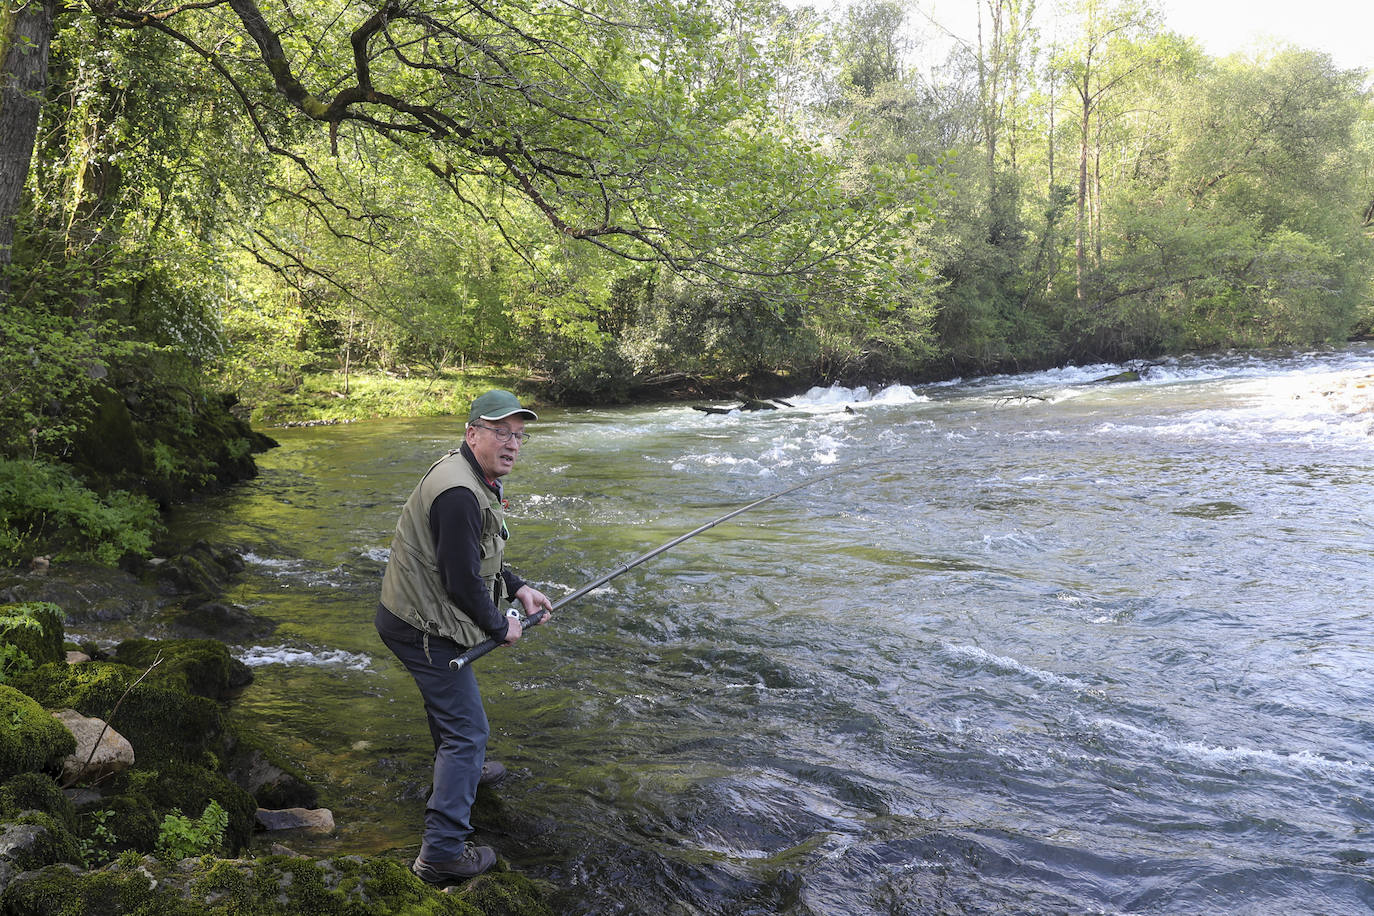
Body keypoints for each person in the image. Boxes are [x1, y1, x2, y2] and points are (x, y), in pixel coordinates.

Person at [375, 389, 553, 885]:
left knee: (453, 715)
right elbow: (459, 581)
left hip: (410, 616)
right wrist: (502, 626)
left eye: (518, 435)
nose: (513, 444)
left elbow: (475, 554)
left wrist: (518, 588)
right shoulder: (458, 493)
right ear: (472, 432)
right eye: (501, 432)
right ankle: (442, 854)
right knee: (467, 731)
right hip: (422, 627)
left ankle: (461, 774)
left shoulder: (470, 476)